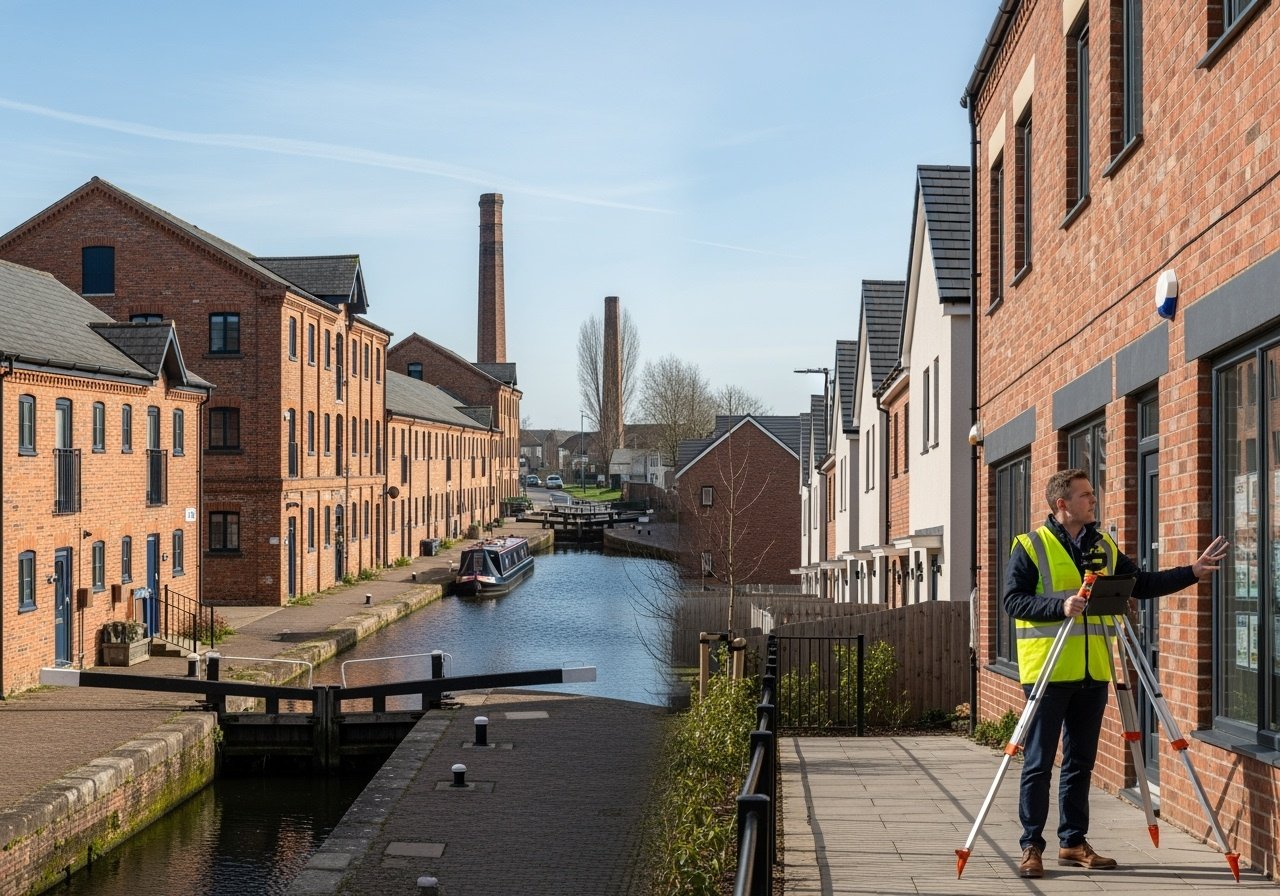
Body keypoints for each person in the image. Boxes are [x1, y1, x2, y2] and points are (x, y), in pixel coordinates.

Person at [1003, 468, 1228, 879]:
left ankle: (1072, 842)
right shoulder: (1030, 546)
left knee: (1081, 762)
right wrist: (1060, 606)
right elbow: (1013, 602)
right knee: (1037, 762)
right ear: (1062, 504)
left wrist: (1191, 573)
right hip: (1048, 673)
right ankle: (1031, 846)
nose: (1093, 500)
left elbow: (1138, 583)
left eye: (1092, 494)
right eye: (1086, 495)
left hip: (1093, 672)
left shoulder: (1102, 544)